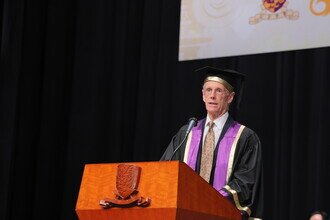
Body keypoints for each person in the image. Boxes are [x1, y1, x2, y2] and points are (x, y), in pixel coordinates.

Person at [160, 66, 263, 219]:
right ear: (202, 95)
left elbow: (245, 183)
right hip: (186, 212)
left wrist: (209, 199)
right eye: (208, 90)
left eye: (219, 91)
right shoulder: (186, 133)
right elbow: (166, 171)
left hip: (222, 214)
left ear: (230, 97)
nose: (212, 96)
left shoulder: (245, 137)